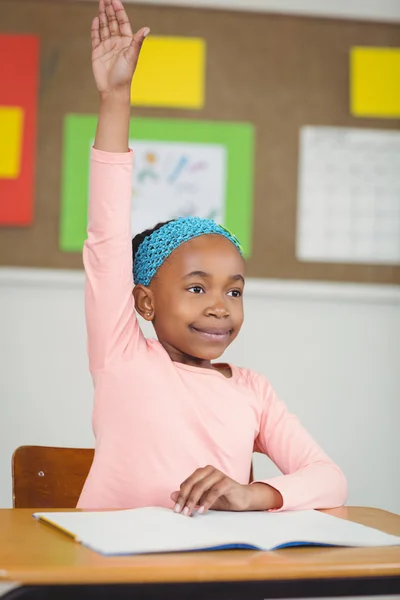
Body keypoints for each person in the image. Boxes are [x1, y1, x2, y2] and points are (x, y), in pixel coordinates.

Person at [78, 0, 347, 515]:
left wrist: (253, 493)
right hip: (110, 573)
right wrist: (115, 99)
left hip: (207, 571)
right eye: (197, 288)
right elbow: (105, 232)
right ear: (145, 301)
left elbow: (330, 479)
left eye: (235, 290)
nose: (221, 306)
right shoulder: (121, 355)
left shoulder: (253, 391)